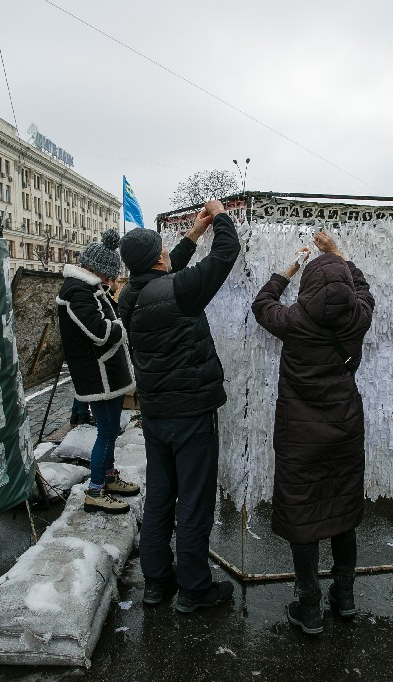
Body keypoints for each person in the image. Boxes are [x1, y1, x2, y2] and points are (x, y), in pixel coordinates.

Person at [117, 199, 239, 613]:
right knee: (193, 502)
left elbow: (164, 278)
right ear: (157, 259)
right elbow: (227, 254)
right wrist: (221, 217)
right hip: (190, 415)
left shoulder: (129, 297)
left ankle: (156, 582)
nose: (170, 255)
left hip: (156, 415)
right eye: (164, 251)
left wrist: (193, 234)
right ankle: (194, 588)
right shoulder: (179, 293)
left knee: (160, 497)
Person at [251, 229, 375, 636]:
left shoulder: (294, 320)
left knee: (303, 512)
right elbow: (362, 290)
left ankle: (309, 608)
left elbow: (261, 304)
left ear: (307, 286)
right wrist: (340, 254)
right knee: (342, 509)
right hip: (344, 428)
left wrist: (286, 271)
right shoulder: (358, 317)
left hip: (299, 435)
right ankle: (347, 598)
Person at [56, 229, 139, 514]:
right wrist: (121, 327)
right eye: (109, 276)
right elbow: (101, 332)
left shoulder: (88, 289)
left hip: (106, 374)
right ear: (97, 270)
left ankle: (109, 476)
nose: (111, 281)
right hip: (98, 375)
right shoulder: (77, 291)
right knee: (106, 432)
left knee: (111, 430)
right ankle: (94, 490)